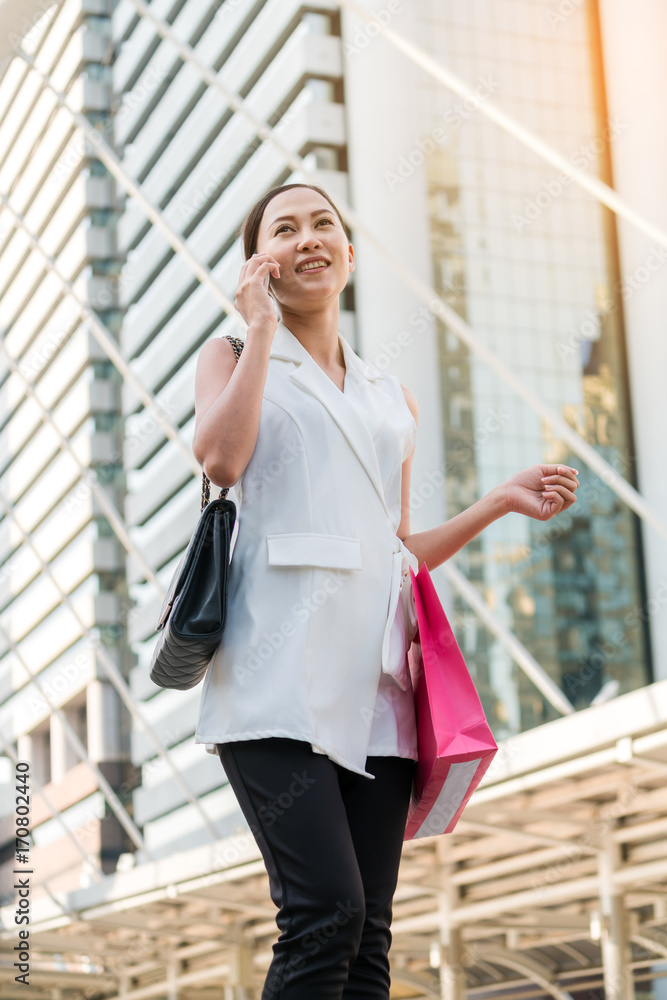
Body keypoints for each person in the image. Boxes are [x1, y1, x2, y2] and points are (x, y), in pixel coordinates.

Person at [191, 183, 579, 999]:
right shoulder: (233, 354)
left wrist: (496, 500)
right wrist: (260, 325)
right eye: (283, 229)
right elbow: (221, 462)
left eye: (322, 223)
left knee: (367, 937)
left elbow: (394, 550)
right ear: (259, 264)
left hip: (377, 689)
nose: (307, 238)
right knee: (323, 911)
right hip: (275, 676)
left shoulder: (386, 395)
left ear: (349, 254)